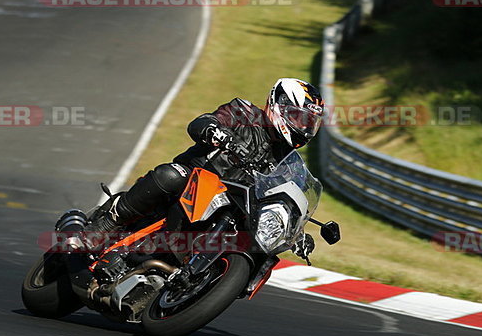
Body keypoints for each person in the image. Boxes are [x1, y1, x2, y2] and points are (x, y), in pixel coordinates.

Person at [84, 78, 326, 235]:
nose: (303, 127)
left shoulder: (289, 164)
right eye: (299, 118)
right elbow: (203, 121)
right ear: (278, 105)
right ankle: (107, 224)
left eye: (310, 123)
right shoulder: (243, 113)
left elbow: (287, 199)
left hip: (233, 208)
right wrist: (214, 130)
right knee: (171, 175)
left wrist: (298, 231)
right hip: (193, 182)